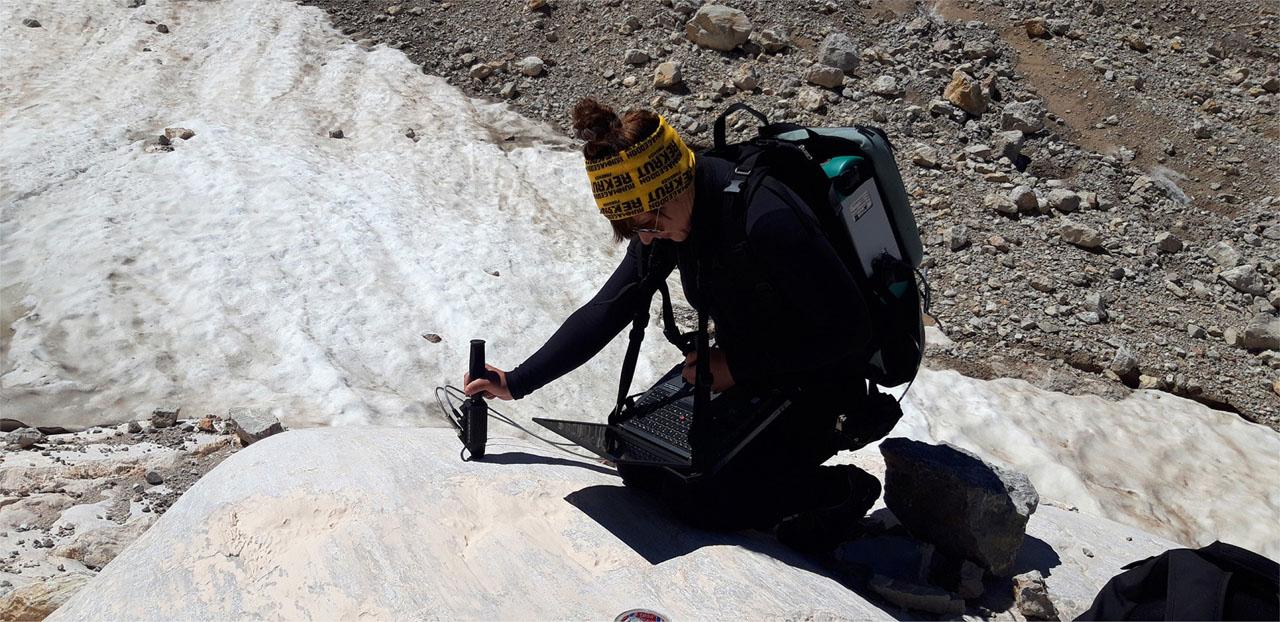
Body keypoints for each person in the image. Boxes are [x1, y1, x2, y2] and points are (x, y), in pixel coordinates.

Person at [463, 97, 886, 554]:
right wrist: (518, 380)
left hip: (821, 380)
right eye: (634, 229)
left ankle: (843, 490)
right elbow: (611, 306)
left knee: (707, 500)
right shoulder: (667, 214)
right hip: (743, 367)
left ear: (675, 184)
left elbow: (851, 331)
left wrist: (738, 367)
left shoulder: (766, 217)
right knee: (638, 459)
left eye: (650, 223)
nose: (647, 237)